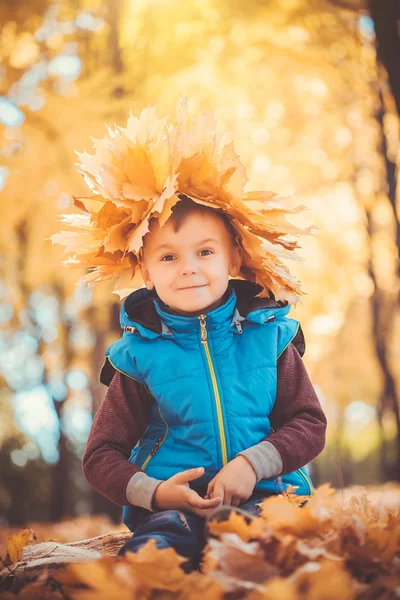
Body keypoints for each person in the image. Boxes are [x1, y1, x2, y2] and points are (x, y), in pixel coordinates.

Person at [53, 98, 327, 573]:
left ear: (233, 259)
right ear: (143, 268)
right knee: (159, 553)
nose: (189, 269)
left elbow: (308, 422)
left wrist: (253, 464)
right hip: (170, 507)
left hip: (269, 496)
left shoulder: (271, 336)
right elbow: (101, 455)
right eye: (168, 257)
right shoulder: (137, 356)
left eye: (204, 251)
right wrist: (154, 492)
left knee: (258, 548)